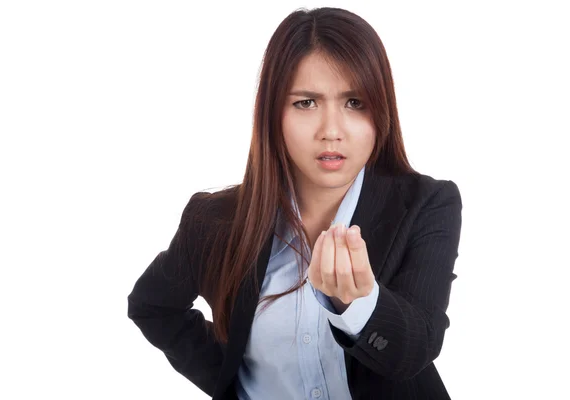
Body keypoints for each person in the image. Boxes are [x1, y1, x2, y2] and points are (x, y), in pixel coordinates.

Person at [127, 6, 462, 400]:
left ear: (381, 111)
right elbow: (152, 306)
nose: (331, 131)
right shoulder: (214, 221)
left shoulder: (426, 204)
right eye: (306, 103)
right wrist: (233, 383)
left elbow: (415, 350)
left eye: (355, 102)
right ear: (273, 114)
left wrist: (357, 303)